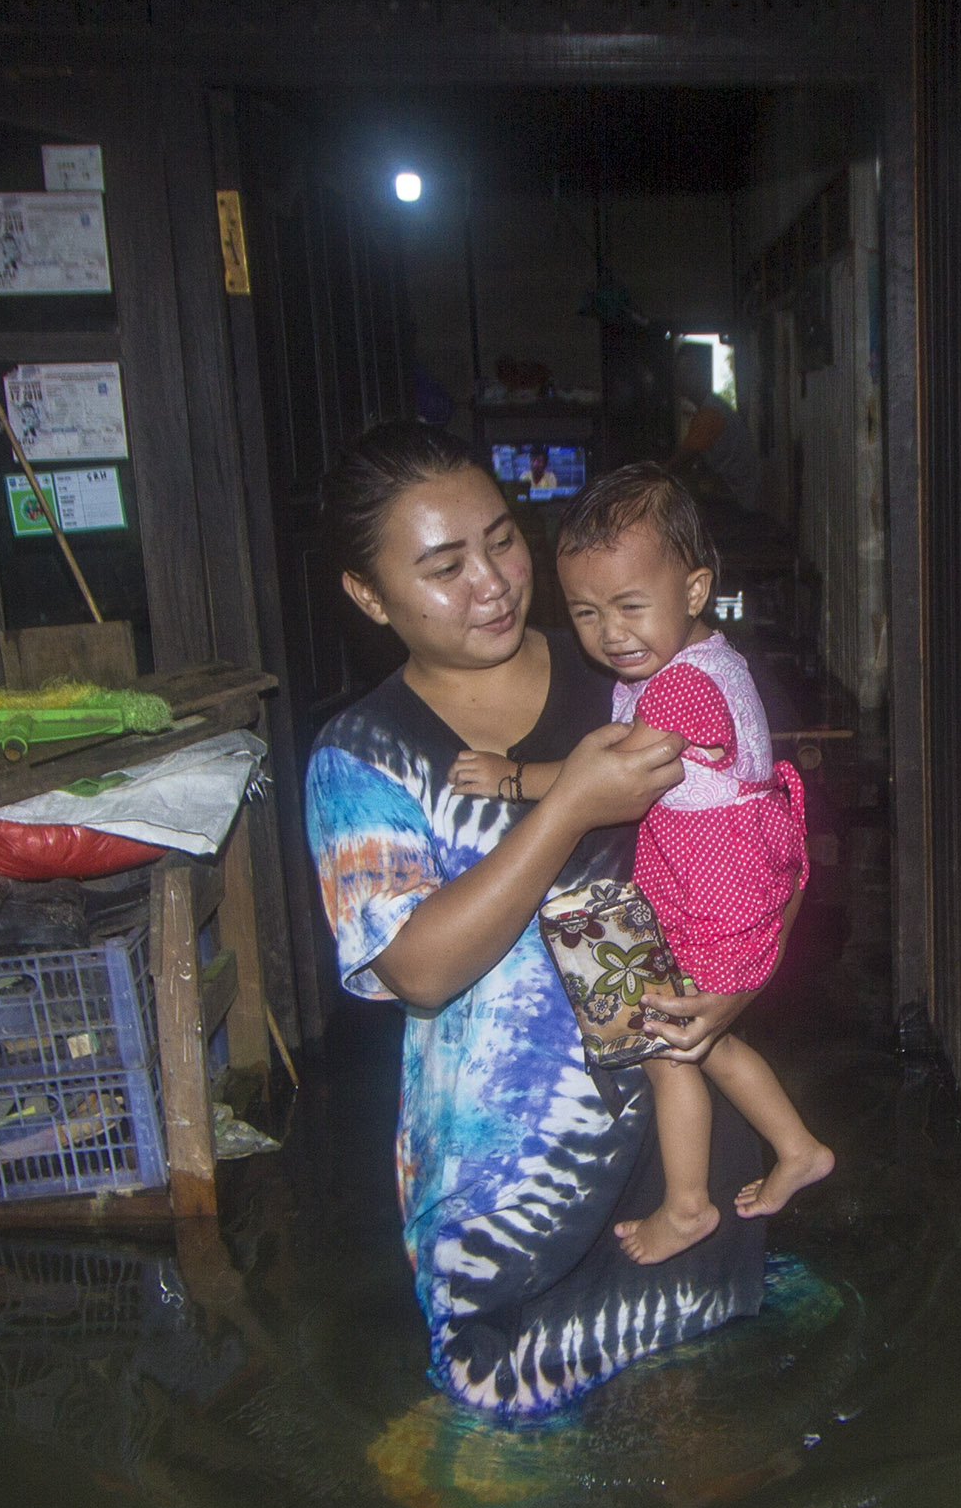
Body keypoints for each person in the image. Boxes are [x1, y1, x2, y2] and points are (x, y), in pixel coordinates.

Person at [303, 423, 795, 1419]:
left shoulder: (629, 668)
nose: (490, 582)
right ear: (369, 595)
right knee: (507, 1487)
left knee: (712, 1465)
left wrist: (746, 978)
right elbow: (420, 971)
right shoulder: (363, 756)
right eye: (444, 566)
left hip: (682, 1158)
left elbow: (761, 846)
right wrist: (568, 802)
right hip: (512, 1187)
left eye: (500, 541)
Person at [466, 465, 829, 1264]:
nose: (610, 634)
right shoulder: (689, 661)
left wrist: (512, 778)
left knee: (669, 1052)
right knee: (708, 1042)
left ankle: (688, 1204)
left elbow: (612, 779)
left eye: (631, 606)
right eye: (587, 612)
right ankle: (798, 1147)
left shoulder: (682, 691)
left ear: (695, 589)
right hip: (724, 879)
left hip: (721, 889)